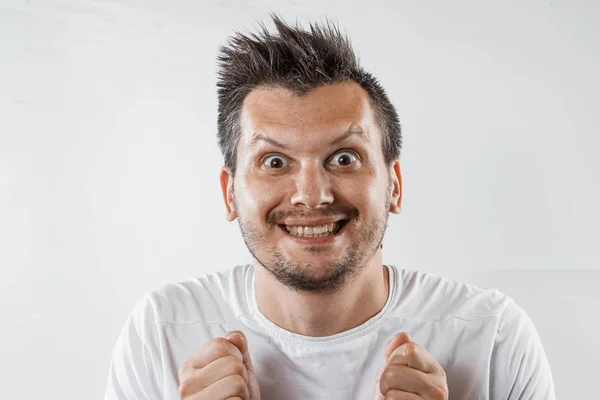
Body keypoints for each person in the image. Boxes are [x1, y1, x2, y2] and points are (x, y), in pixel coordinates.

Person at [105, 15, 555, 400]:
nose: (312, 194)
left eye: (343, 158)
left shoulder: (491, 336)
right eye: (274, 161)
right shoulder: (162, 332)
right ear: (229, 193)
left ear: (393, 185)